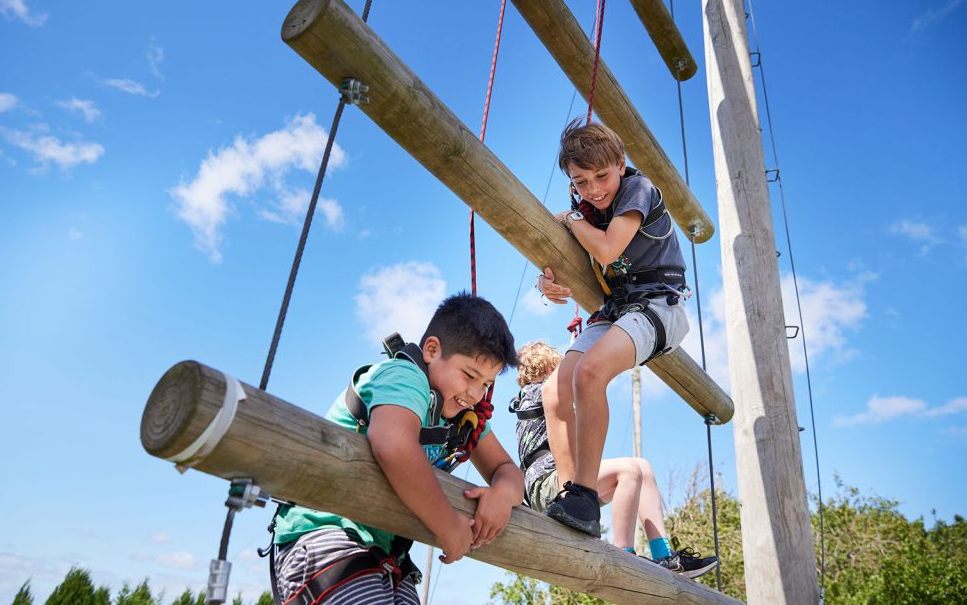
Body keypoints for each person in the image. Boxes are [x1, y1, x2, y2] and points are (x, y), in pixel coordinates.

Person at [270, 292, 523, 604]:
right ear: (431, 350)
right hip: (324, 531)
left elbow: (508, 471)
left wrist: (502, 494)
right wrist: (448, 525)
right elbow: (393, 445)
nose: (474, 393)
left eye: (485, 384)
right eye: (469, 375)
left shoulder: (464, 420)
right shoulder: (403, 376)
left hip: (387, 555)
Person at [537, 118, 692, 539]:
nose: (594, 189)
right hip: (618, 308)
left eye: (601, 176)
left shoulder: (638, 190)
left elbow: (606, 247)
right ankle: (573, 494)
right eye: (580, 181)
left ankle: (585, 493)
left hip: (660, 304)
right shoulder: (583, 209)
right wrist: (544, 278)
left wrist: (571, 219)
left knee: (590, 373)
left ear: (621, 164)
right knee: (554, 390)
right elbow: (549, 232)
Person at [511, 340, 717, 579]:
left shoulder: (547, 393)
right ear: (547, 368)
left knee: (643, 468)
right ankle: (624, 554)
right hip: (547, 485)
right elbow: (574, 378)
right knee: (627, 471)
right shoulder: (538, 392)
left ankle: (664, 555)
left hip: (564, 480)